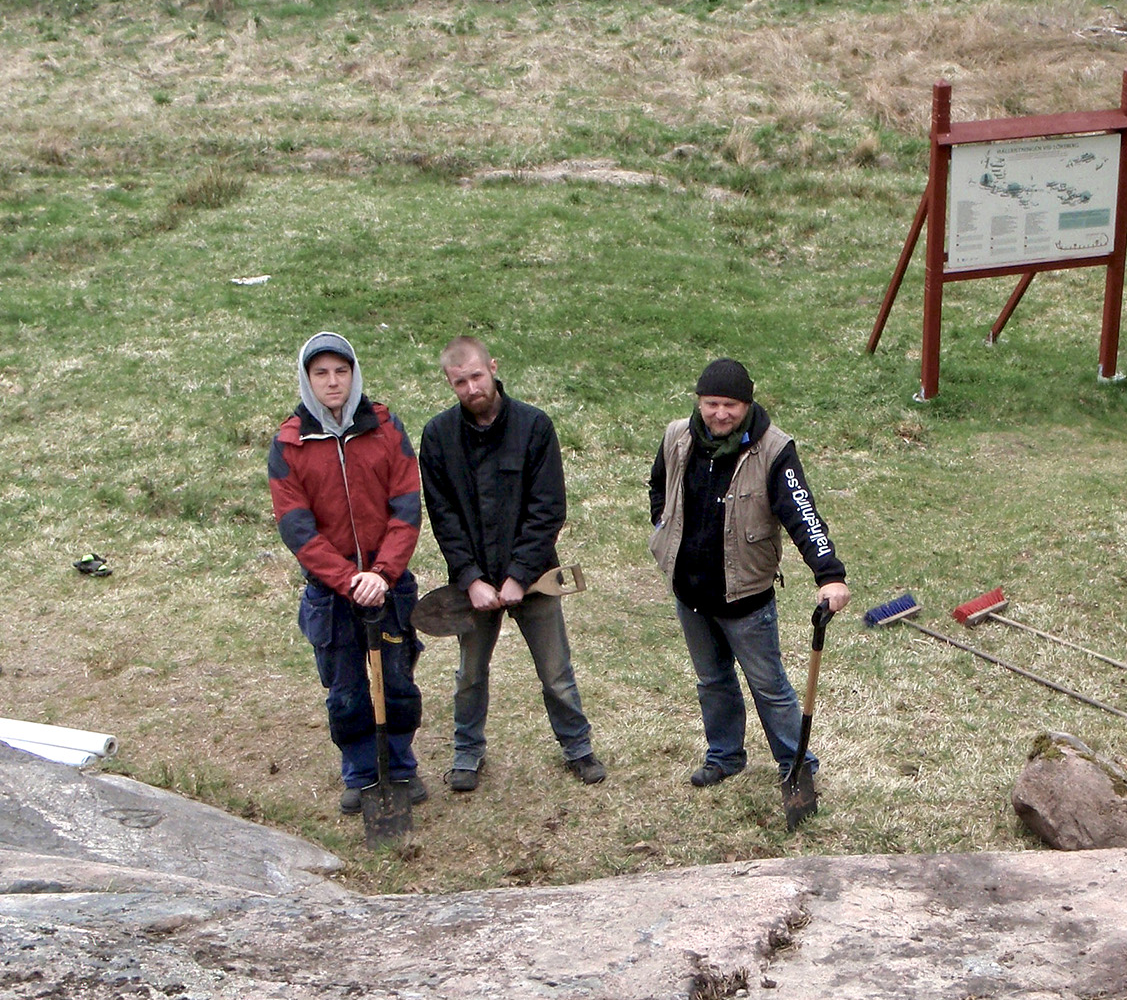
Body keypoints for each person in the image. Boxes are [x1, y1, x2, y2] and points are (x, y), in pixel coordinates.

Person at [649, 357, 849, 788]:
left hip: (746, 599)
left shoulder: (774, 450)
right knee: (712, 681)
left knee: (769, 687)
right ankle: (724, 755)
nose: (720, 413)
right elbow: (658, 486)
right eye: (712, 403)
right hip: (691, 593)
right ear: (699, 402)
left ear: (748, 404)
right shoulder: (677, 437)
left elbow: (803, 515)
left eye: (731, 405)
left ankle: (797, 766)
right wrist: (662, 529)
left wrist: (829, 573)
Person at [417, 336, 605, 793]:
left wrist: (519, 576)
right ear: (449, 382)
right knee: (469, 675)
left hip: (535, 579)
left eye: (477, 376)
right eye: (460, 381)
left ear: (493, 368)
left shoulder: (534, 427)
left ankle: (578, 747)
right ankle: (466, 753)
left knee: (556, 672)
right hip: (473, 587)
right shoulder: (438, 437)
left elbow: (548, 509)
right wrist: (471, 579)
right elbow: (443, 517)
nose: (471, 387)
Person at [268, 331, 427, 815]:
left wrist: (381, 572)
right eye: (322, 373)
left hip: (389, 585)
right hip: (331, 592)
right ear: (307, 379)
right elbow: (296, 527)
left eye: (342, 371)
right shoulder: (289, 442)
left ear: (354, 374)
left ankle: (400, 765)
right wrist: (347, 578)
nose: (333, 382)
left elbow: (405, 504)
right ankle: (360, 772)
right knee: (346, 689)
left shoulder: (385, 427)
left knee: (397, 680)